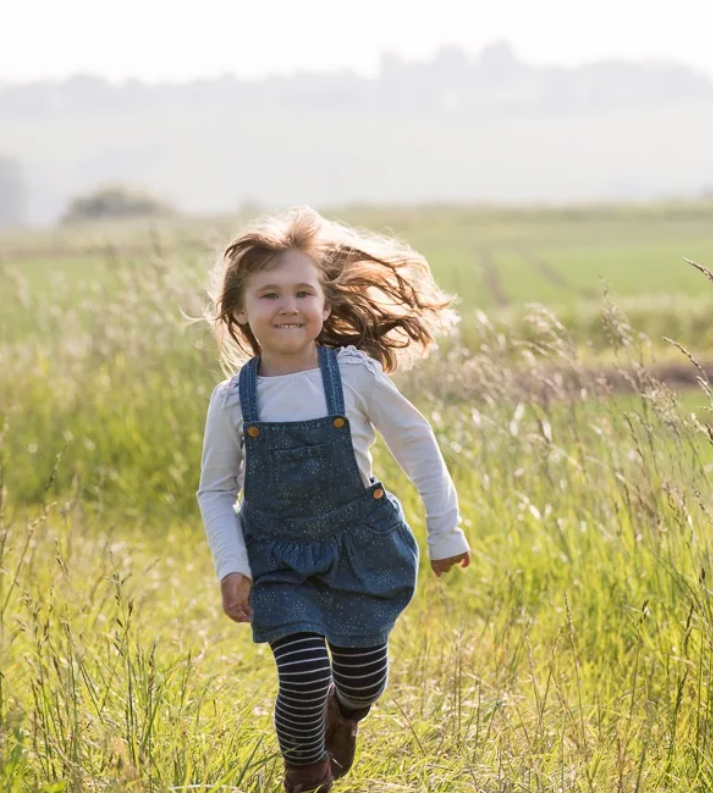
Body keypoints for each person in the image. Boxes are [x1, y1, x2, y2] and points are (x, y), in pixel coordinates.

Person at [196, 206, 471, 792]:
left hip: (358, 547)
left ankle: (341, 714)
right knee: (300, 670)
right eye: (269, 294)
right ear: (240, 311)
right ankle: (305, 774)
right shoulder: (231, 401)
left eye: (302, 292)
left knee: (363, 680)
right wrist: (233, 566)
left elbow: (419, 448)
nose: (288, 306)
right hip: (277, 556)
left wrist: (446, 531)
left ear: (325, 304)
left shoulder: (354, 374)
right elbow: (216, 490)